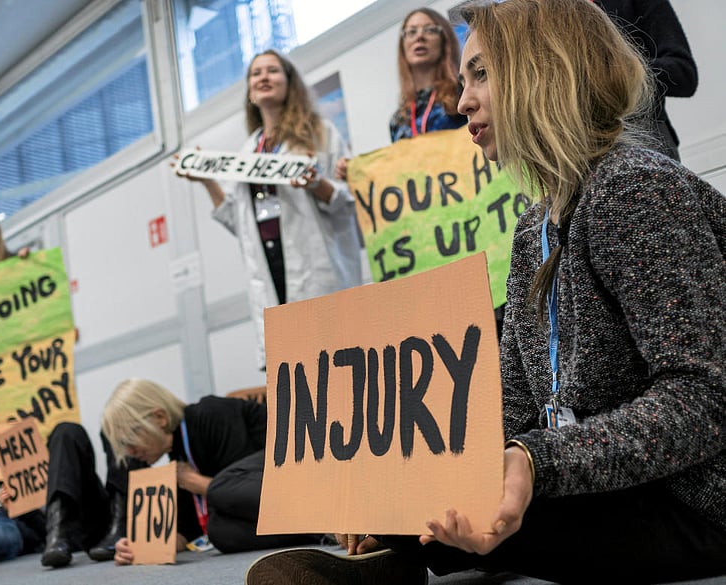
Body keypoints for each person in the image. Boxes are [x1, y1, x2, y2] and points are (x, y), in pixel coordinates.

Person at [246, 1, 726, 584]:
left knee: (498, 499)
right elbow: (517, 407)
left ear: (546, 70)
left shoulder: (635, 190)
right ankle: (393, 548)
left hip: (695, 500)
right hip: (606, 478)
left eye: (480, 74)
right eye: (461, 80)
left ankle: (401, 556)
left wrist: (531, 462)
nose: (461, 101)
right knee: (428, 483)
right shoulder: (533, 229)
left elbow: (704, 401)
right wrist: (404, 484)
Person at [175, 50, 363, 370]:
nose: (263, 77)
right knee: (293, 373)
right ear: (250, 91)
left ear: (290, 83)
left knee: (333, 362)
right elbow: (240, 222)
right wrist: (208, 182)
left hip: (314, 265)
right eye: (256, 73)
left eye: (273, 71)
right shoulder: (248, 152)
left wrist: (315, 183)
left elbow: (346, 201)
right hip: (270, 265)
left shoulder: (320, 133)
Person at [40, 379, 322, 569]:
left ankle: (322, 519)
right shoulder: (178, 455)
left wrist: (192, 483)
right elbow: (190, 530)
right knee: (218, 531)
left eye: (130, 439)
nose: (129, 452)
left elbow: (243, 492)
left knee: (221, 490)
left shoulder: (211, 414)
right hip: (275, 506)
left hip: (297, 481)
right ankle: (319, 532)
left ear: (160, 418)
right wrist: (143, 548)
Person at [335, 8, 467, 180]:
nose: (419, 36)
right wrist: (355, 171)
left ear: (444, 41)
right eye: (411, 32)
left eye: (430, 29)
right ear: (403, 46)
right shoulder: (399, 120)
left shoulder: (463, 92)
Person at [596, 0, 698, 161]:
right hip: (577, 149)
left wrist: (614, 72)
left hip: (644, 139)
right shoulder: (546, 13)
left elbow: (683, 72)